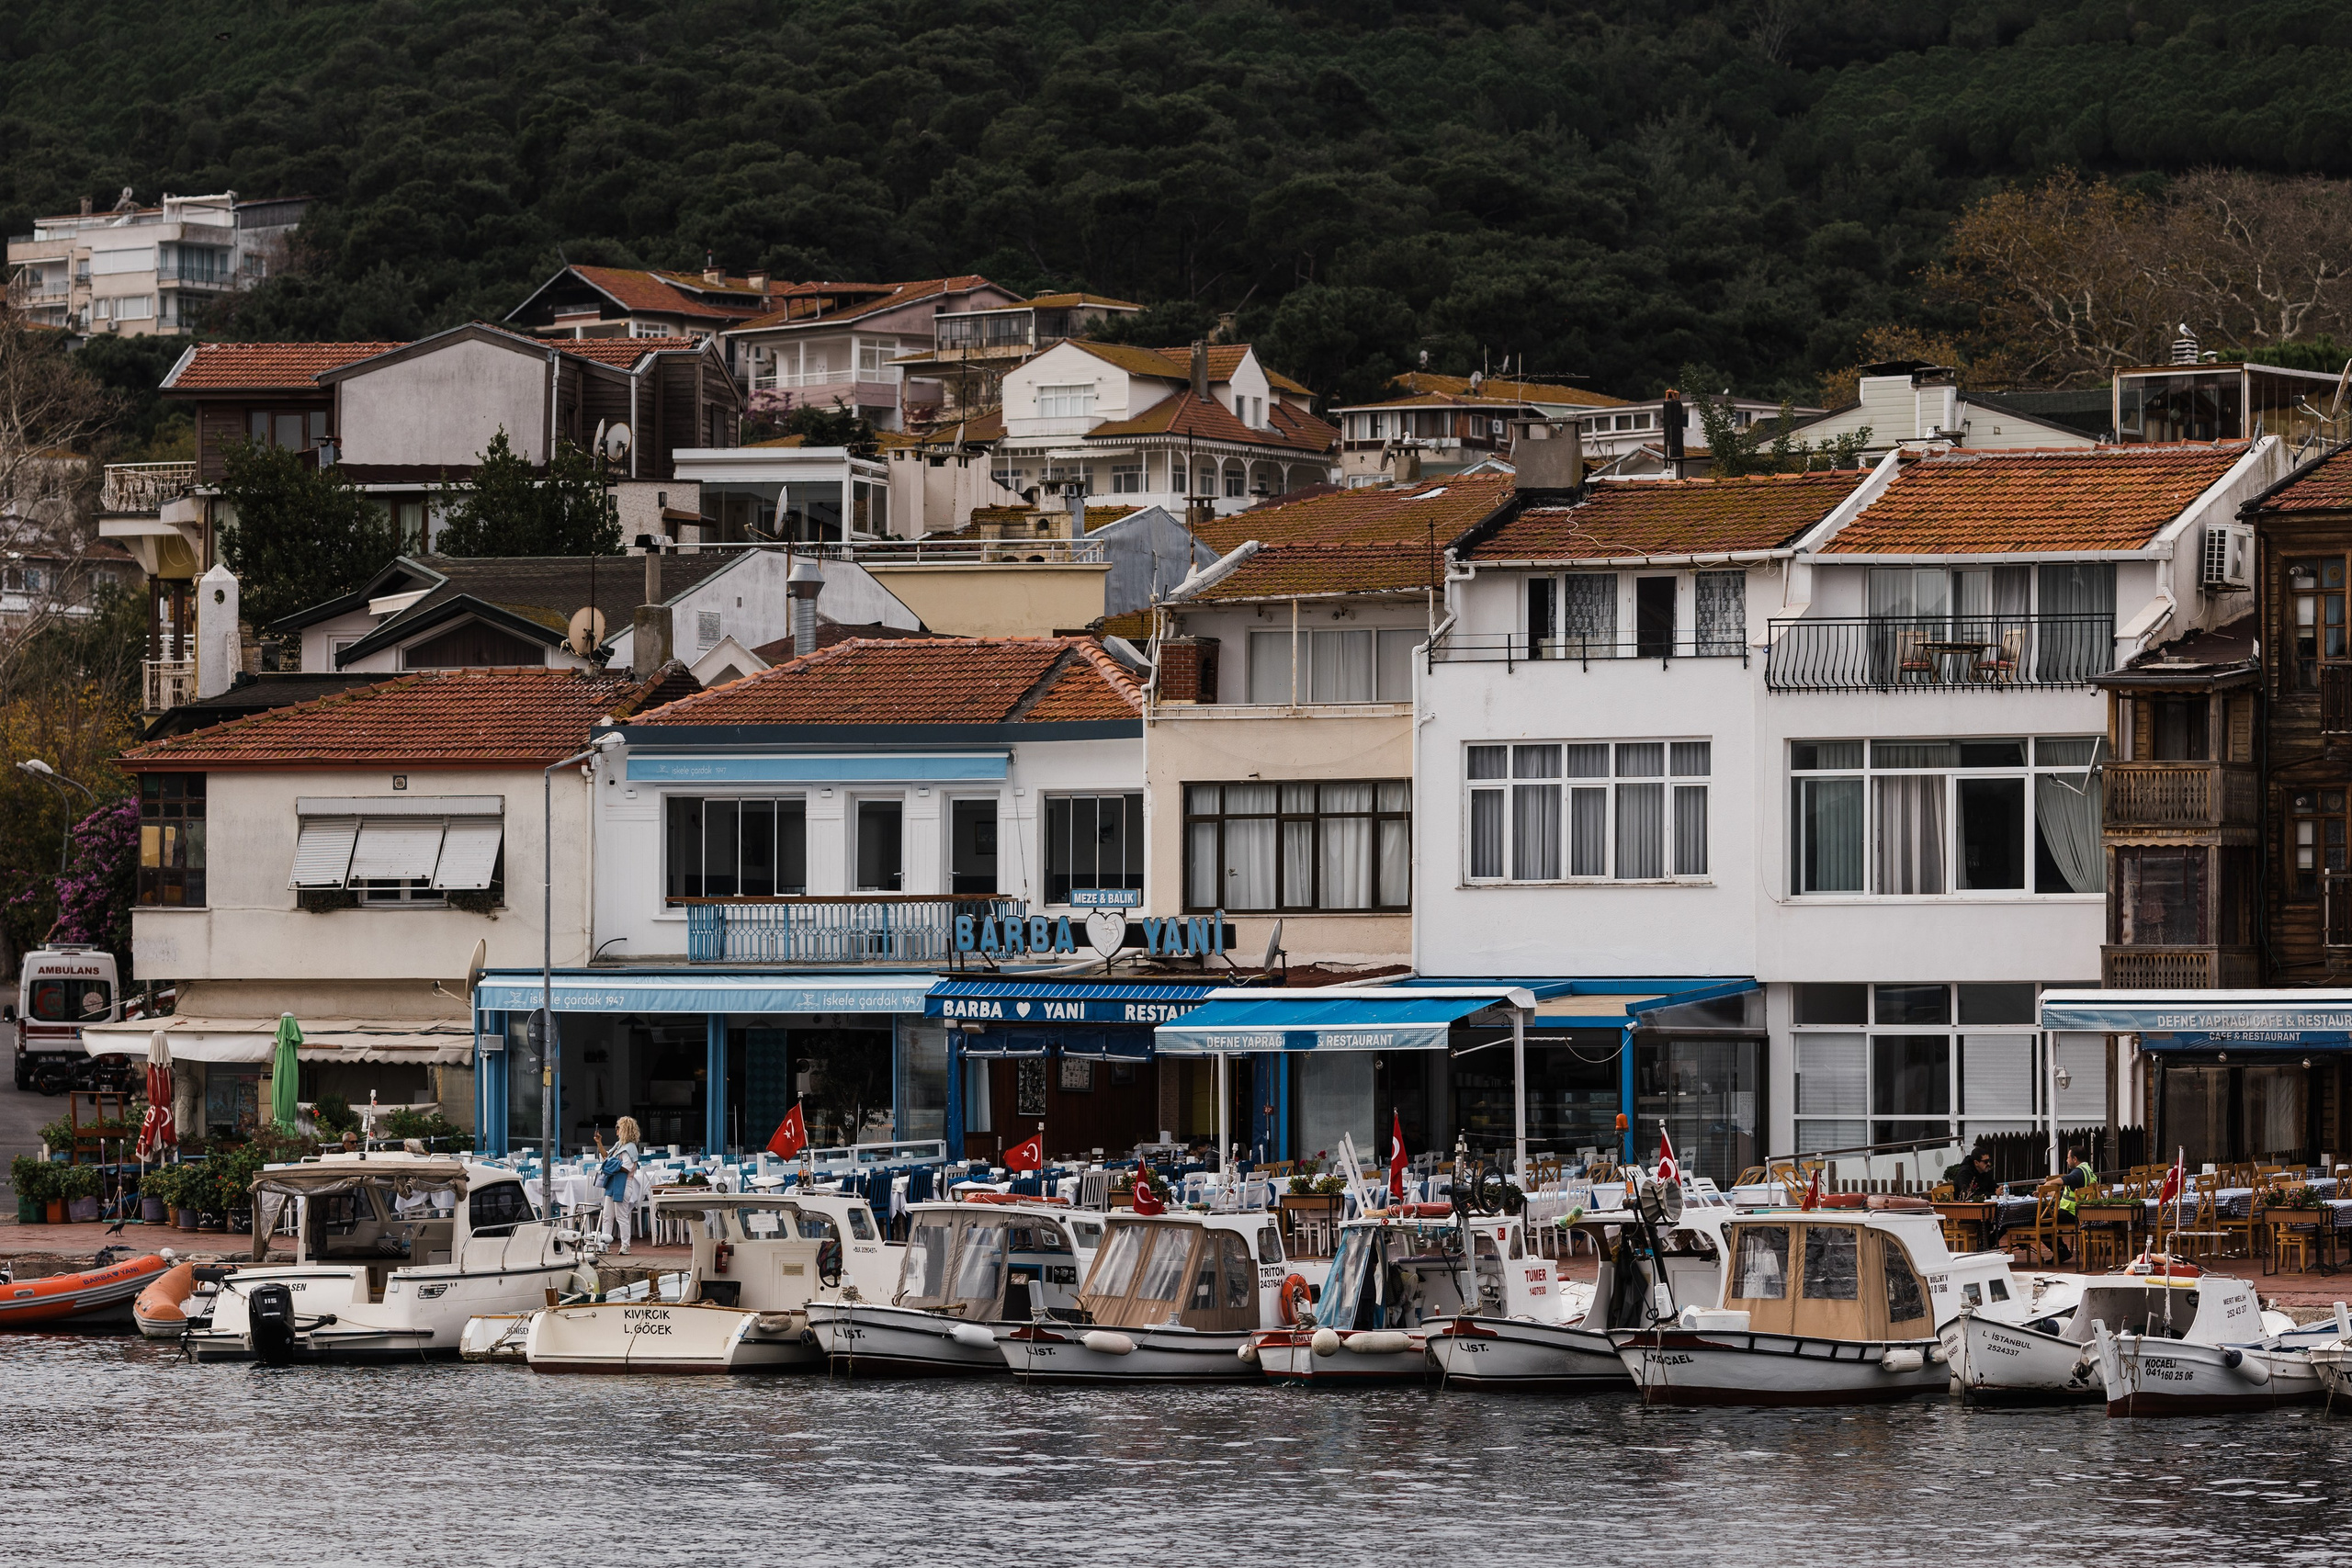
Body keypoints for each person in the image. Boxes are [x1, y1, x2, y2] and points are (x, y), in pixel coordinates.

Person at [594, 1117, 641, 1256]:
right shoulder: (619, 1145)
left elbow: (627, 1167)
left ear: (624, 1130)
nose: (616, 1130)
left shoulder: (630, 1148)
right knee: (607, 1215)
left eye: (618, 1128)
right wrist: (599, 1143)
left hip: (624, 1184)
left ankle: (626, 1245)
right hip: (614, 1183)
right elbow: (606, 1156)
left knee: (621, 1216)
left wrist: (610, 1165)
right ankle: (604, 1244)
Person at [2053, 1143, 2098, 1264]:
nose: (2067, 1161)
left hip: (2073, 1213)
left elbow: (2066, 1180)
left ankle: (2061, 1251)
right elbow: (2071, 1192)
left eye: (2068, 1158)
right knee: (2045, 1217)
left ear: (2074, 1159)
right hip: (2081, 1212)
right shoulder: (2087, 1170)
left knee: (2042, 1221)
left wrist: (2048, 1184)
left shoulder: (2078, 1172)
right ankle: (2061, 1250)